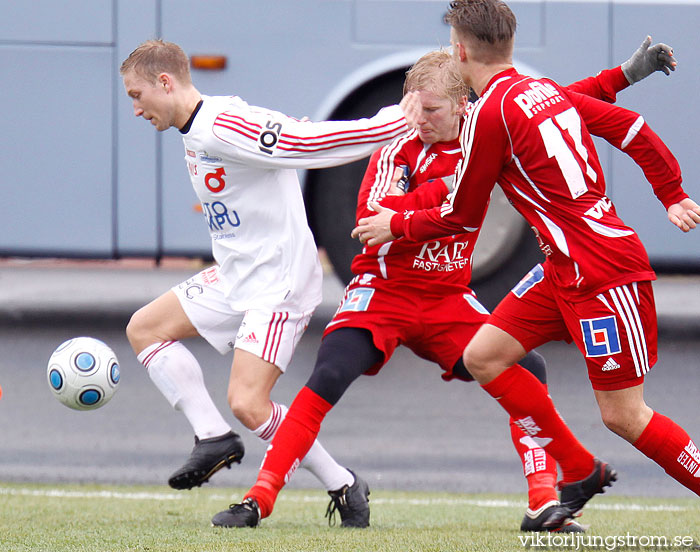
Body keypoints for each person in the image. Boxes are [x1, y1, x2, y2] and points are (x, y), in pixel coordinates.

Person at [210, 34, 678, 530]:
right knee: (327, 375)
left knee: (528, 369)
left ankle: (544, 503)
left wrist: (624, 77)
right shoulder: (397, 146)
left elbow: (556, 101)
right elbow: (371, 222)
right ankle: (259, 498)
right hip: (382, 293)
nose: (421, 120)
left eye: (433, 110)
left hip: (447, 298)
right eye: (414, 108)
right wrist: (436, 199)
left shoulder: (487, 133)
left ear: (463, 106)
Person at [352, 0, 700, 528]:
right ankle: (579, 470)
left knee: (623, 416)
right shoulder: (534, 89)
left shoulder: (491, 113)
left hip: (603, 275)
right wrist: (627, 78)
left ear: (460, 50)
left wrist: (394, 226)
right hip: (560, 270)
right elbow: (621, 121)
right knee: (483, 356)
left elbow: (464, 216)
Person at [119, 39, 420, 526]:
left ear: (165, 82)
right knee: (144, 329)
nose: (135, 109)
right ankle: (213, 438)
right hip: (237, 274)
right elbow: (281, 132)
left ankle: (343, 484)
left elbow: (309, 145)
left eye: (137, 95)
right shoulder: (202, 124)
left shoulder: (221, 124)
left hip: (278, 281)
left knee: (249, 402)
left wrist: (392, 122)